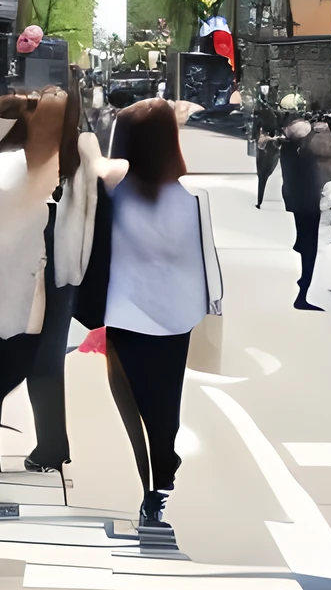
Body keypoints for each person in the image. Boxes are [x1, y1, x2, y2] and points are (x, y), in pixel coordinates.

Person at [72, 97, 221, 534]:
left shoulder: (115, 192)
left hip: (125, 315)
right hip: (177, 316)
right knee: (164, 401)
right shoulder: (192, 201)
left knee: (133, 405)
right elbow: (204, 260)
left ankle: (152, 481)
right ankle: (162, 470)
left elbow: (94, 160)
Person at [0, 88, 100, 477]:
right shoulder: (53, 160)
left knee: (21, 359)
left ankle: (27, 444)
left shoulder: (22, 161)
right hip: (38, 269)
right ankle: (47, 446)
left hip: (45, 269)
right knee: (30, 360)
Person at [278, 111, 331, 307]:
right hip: (308, 205)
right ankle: (304, 295)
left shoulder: (288, 151)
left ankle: (305, 285)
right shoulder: (304, 156)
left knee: (307, 246)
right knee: (310, 249)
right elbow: (311, 181)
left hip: (299, 204)